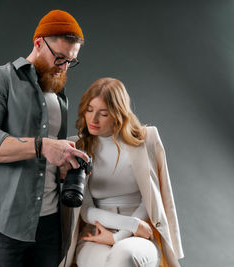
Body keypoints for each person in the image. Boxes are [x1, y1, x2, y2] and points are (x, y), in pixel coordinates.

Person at [0, 10, 89, 267]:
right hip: (4, 223)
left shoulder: (59, 94)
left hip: (50, 223)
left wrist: (65, 161)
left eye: (71, 61)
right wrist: (42, 146)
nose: (65, 67)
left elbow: (51, 157)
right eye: (60, 58)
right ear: (38, 43)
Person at [60, 78, 184, 267]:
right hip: (95, 233)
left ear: (119, 114)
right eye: (89, 110)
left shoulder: (146, 140)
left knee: (123, 257)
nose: (93, 119)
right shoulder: (77, 147)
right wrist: (131, 225)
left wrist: (120, 236)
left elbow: (151, 199)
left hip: (140, 236)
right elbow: (85, 210)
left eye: (103, 113)